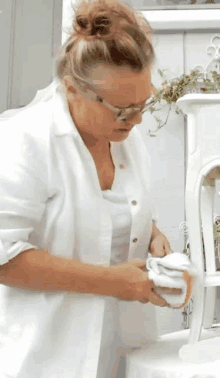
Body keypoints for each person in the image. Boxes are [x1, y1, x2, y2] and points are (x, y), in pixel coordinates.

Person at [0, 0, 181, 377]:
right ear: (72, 89)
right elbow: (4, 255)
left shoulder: (124, 137)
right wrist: (114, 281)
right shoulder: (24, 142)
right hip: (45, 359)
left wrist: (151, 233)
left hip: (122, 352)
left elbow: (103, 209)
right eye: (121, 109)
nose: (136, 119)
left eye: (142, 103)